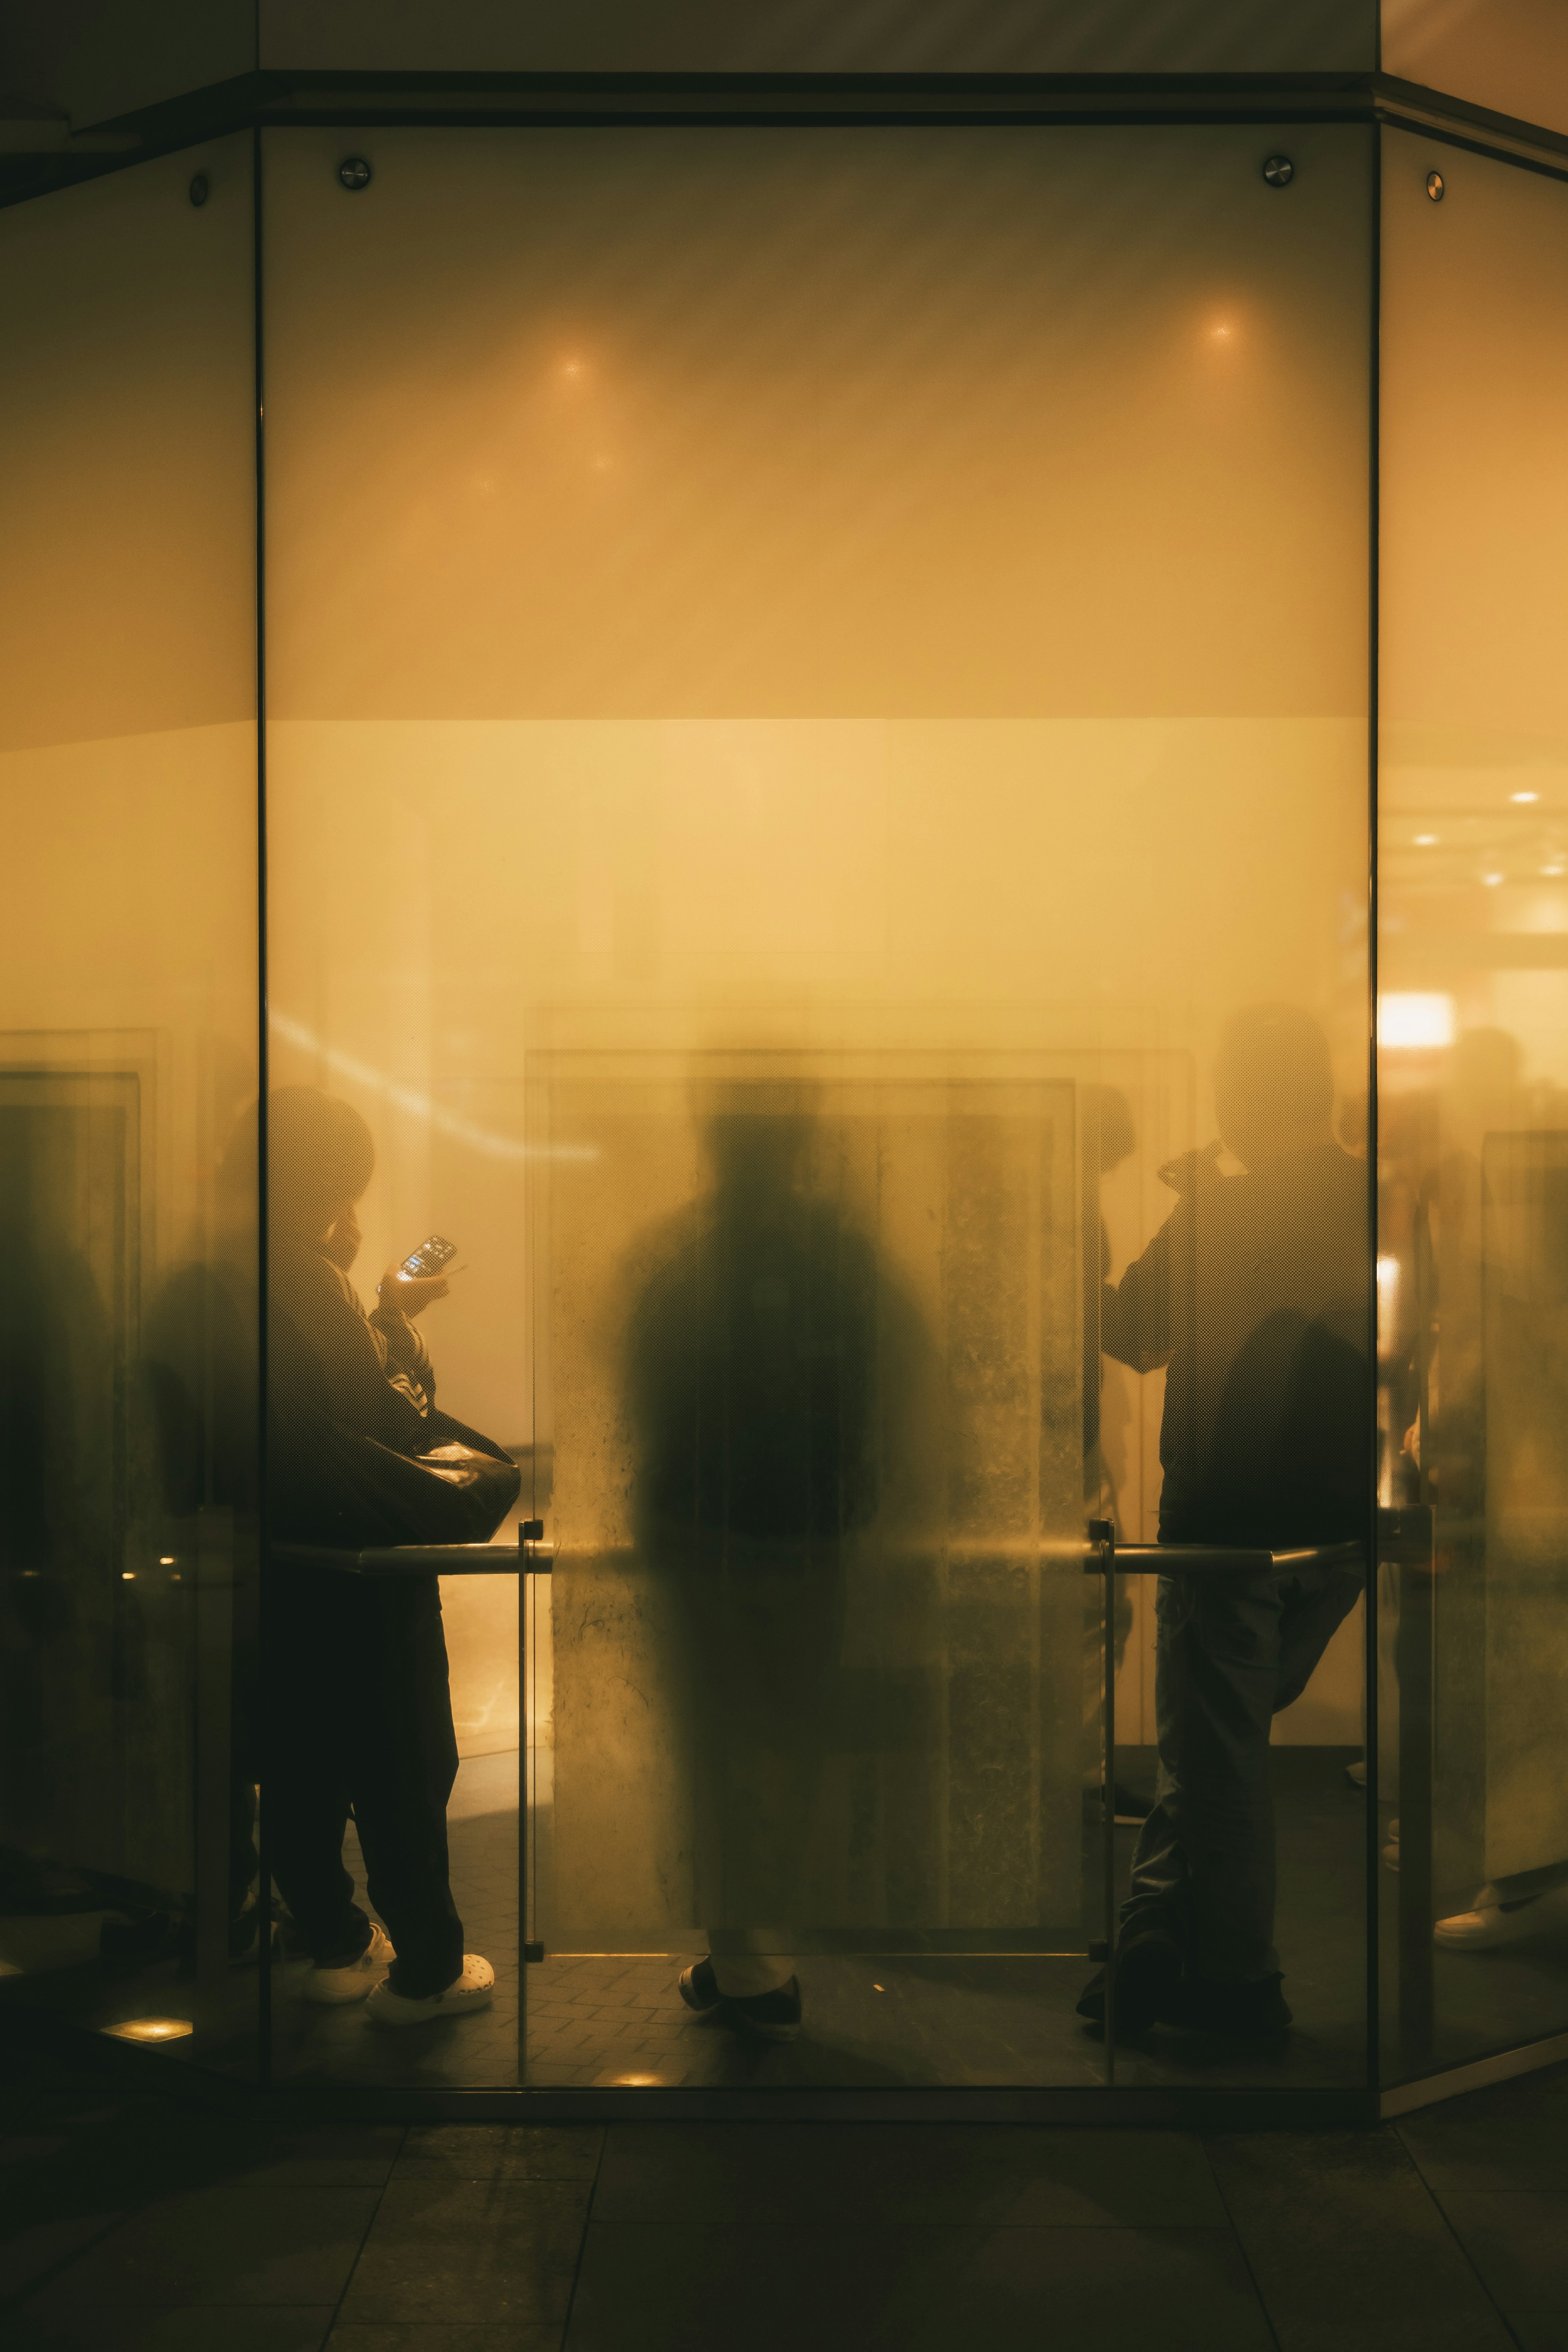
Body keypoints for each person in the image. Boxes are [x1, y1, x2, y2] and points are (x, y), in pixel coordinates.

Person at [1078, 1006, 1370, 2040]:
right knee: (1213, 1746)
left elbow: (1136, 1332)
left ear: (1243, 1097)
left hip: (1226, 1526)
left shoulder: (1223, 1213)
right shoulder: (1367, 1197)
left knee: (1218, 1757)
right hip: (1333, 1533)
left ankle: (1241, 1983)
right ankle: (1157, 1932)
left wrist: (1073, 1238)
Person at [625, 1091, 885, 2043]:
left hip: (708, 1546)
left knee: (722, 1754)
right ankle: (751, 1955)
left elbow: (651, 1394)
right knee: (787, 1746)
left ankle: (747, 1964)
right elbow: (872, 1400)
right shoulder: (838, 1258)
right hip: (809, 1542)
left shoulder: (686, 1258)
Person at [262, 1086, 516, 2027]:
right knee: (403, 1765)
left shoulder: (234, 1272)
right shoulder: (309, 1283)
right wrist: (396, 1316)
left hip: (281, 1574)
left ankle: (331, 1937)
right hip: (364, 1575)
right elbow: (389, 1419)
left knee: (302, 1763)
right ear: (335, 1185)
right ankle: (427, 1972)